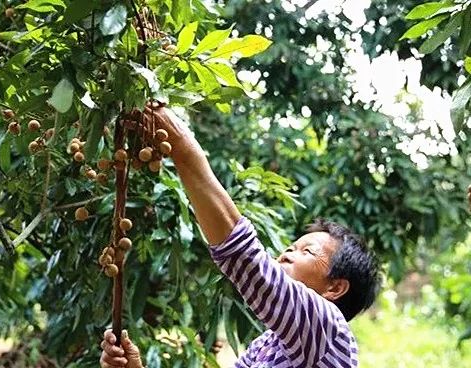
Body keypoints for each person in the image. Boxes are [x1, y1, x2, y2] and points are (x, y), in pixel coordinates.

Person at [100, 103, 381, 368]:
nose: (285, 253)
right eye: (292, 247)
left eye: (307, 252)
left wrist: (183, 147)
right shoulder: (268, 344)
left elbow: (246, 259)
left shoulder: (328, 330)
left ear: (334, 288)